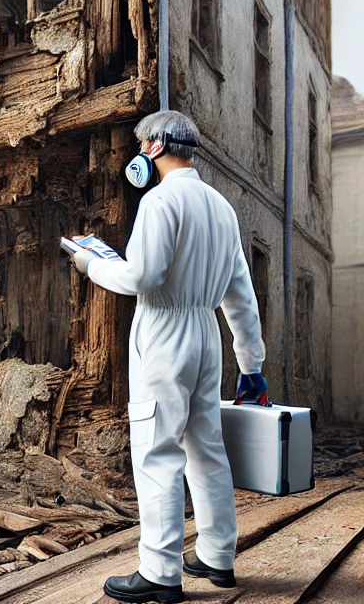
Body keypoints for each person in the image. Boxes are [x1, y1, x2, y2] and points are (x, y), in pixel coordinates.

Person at [69, 110, 266, 604]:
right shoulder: (223, 208)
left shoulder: (159, 202)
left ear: (153, 148)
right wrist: (251, 364)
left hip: (164, 331)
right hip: (205, 333)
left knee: (157, 449)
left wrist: (91, 263)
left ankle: (159, 571)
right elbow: (240, 294)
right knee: (207, 449)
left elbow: (141, 278)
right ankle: (218, 557)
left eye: (141, 144)